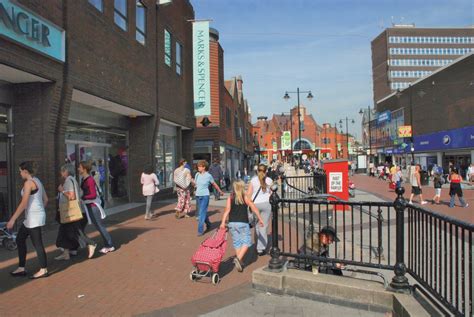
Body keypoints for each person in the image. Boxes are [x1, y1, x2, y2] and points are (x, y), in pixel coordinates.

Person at [7, 161, 49, 279]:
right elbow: (45, 199)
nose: (19, 173)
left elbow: (24, 204)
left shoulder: (28, 183)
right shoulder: (38, 181)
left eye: (20, 171)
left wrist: (12, 220)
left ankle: (44, 269)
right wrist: (40, 211)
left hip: (33, 218)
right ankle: (21, 268)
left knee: (37, 244)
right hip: (32, 217)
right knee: (20, 239)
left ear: (25, 171)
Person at [220, 180, 264, 272]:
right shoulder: (245, 197)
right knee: (247, 242)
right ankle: (238, 258)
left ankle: (240, 261)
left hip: (232, 223)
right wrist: (260, 218)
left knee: (237, 242)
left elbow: (227, 210)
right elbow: (253, 208)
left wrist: (223, 222)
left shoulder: (230, 198)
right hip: (243, 223)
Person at [55, 164, 97, 261]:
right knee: (65, 231)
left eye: (62, 171)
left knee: (74, 232)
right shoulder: (73, 180)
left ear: (66, 171)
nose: (61, 173)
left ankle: (90, 243)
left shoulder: (69, 181)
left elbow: (72, 197)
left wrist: (62, 191)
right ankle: (66, 253)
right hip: (68, 212)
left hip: (70, 212)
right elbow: (80, 193)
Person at [79, 161, 115, 254]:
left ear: (84, 169)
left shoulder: (89, 180)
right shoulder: (84, 179)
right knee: (82, 227)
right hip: (88, 206)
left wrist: (83, 197)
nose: (78, 169)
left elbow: (93, 195)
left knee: (99, 226)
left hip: (93, 206)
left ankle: (109, 245)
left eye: (80, 167)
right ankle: (84, 243)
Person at [246, 164, 273, 256]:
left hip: (255, 204)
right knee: (263, 226)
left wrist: (248, 204)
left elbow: (249, 194)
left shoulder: (253, 180)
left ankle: (258, 243)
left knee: (257, 225)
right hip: (266, 204)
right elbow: (272, 193)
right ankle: (260, 248)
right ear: (266, 171)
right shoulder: (269, 180)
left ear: (257, 171)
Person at [194, 160, 224, 236]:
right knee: (202, 212)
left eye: (200, 166)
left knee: (201, 214)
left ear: (204, 167)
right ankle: (209, 224)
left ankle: (200, 230)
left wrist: (220, 191)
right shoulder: (197, 174)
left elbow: (214, 184)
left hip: (205, 196)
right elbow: (195, 184)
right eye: (198, 166)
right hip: (198, 195)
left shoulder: (208, 175)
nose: (198, 167)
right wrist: (191, 181)